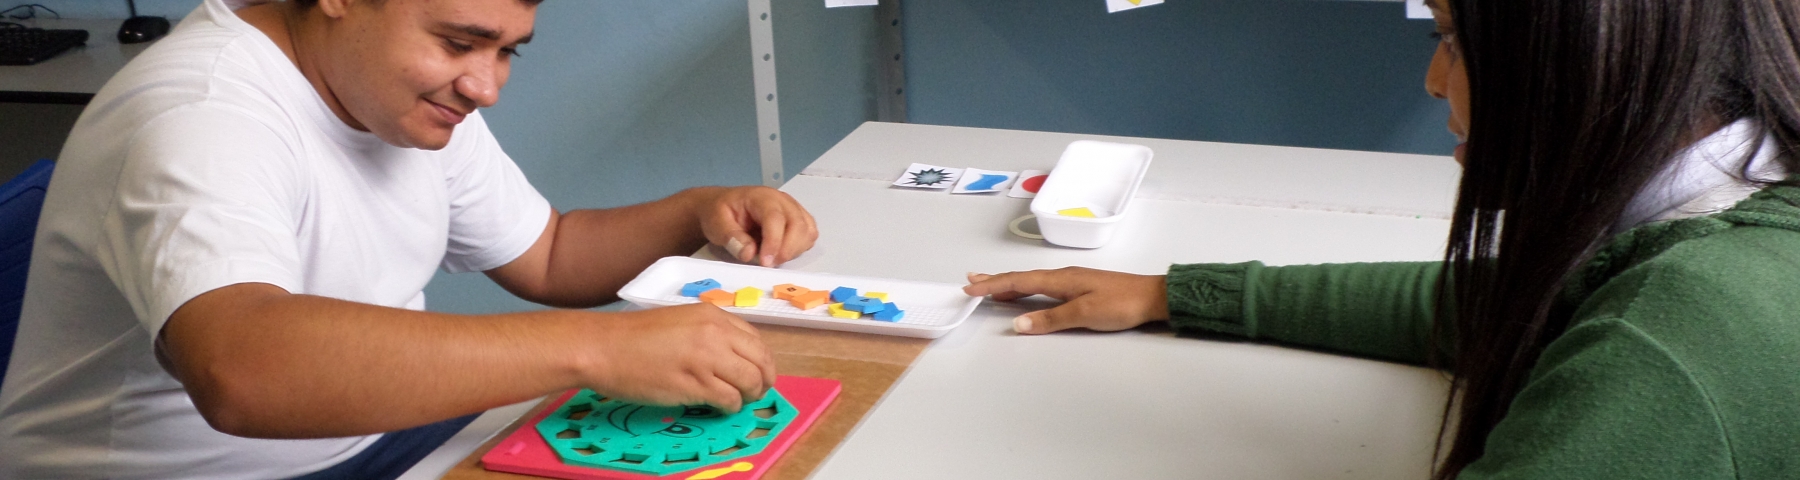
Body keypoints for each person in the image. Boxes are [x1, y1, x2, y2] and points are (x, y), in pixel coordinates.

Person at [965, 0, 1800, 477]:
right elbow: (1509, 302)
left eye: (1450, 38)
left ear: (1585, 49)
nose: (1434, 81)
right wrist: (1173, 293)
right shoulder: (1737, 211)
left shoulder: (1669, 344)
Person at [0, 0, 817, 478]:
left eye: (506, 51)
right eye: (459, 42)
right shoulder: (201, 114)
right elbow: (241, 370)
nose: (486, 85)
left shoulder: (405, 94)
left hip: (376, 441)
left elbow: (550, 254)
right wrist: (596, 348)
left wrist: (696, 211)